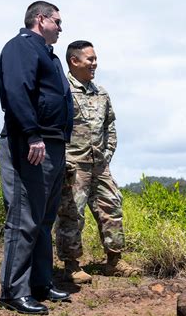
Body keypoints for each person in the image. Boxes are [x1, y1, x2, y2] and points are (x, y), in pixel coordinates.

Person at [0, 1, 73, 315]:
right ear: (40, 20)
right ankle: (13, 292)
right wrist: (32, 133)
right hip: (29, 143)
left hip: (52, 145)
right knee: (23, 219)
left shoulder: (48, 55)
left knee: (43, 219)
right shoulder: (21, 47)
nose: (60, 27)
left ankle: (40, 282)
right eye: (57, 21)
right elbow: (17, 90)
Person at [55, 40, 140, 284]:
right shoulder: (61, 91)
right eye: (90, 59)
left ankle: (114, 261)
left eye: (95, 59)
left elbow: (109, 125)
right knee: (72, 215)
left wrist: (108, 151)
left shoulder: (101, 93)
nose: (95, 63)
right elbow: (54, 127)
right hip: (74, 166)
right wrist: (64, 159)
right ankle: (71, 266)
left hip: (100, 165)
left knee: (111, 207)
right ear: (74, 61)